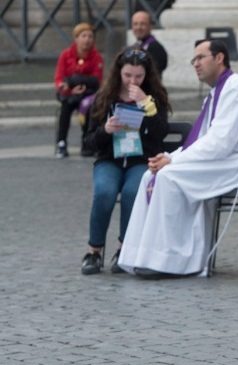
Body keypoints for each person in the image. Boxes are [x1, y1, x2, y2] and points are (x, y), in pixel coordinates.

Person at [117, 39, 238, 279]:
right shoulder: (217, 92)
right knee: (152, 173)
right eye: (193, 60)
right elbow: (201, 140)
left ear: (219, 58)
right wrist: (168, 156)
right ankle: (138, 255)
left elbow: (220, 143)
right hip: (224, 159)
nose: (195, 64)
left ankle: (171, 261)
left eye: (200, 58)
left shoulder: (237, 90)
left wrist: (174, 162)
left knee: (168, 176)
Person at [80, 48, 171, 275]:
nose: (133, 81)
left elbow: (161, 132)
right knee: (104, 192)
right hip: (109, 160)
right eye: (128, 75)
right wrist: (106, 131)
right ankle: (94, 251)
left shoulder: (153, 97)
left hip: (140, 160)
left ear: (146, 75)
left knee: (133, 192)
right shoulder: (104, 98)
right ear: (119, 73)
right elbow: (89, 142)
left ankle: (125, 250)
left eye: (138, 76)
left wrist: (146, 106)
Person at [54, 22, 104, 158]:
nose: (87, 39)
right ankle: (61, 142)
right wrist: (68, 87)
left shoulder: (96, 57)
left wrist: (77, 81)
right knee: (65, 109)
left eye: (90, 36)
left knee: (89, 108)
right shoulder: (65, 55)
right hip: (70, 94)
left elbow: (96, 80)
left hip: (88, 94)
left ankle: (87, 142)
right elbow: (59, 78)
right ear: (76, 38)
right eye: (83, 36)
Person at [131, 11, 168, 77]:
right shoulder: (135, 46)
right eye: (135, 24)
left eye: (142, 24)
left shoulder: (156, 49)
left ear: (150, 26)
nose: (138, 27)